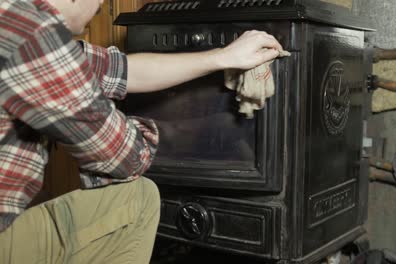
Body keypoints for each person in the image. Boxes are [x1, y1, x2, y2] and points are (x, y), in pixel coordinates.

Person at [0, 0, 284, 263]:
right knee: (139, 198)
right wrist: (185, 131)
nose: (100, 5)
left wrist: (224, 57)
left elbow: (123, 70)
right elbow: (126, 157)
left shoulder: (15, 19)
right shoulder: (32, 36)